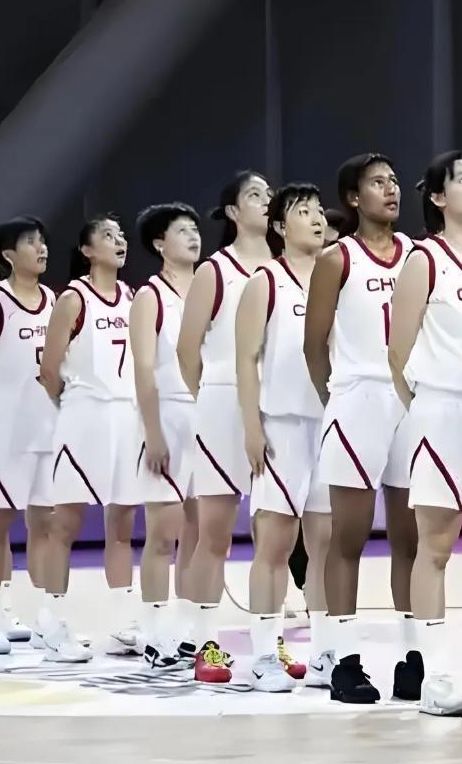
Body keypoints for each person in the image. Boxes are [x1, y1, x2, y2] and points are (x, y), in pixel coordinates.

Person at [387, 152, 462, 717]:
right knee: (434, 546)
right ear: (438, 197)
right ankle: (435, 673)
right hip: (443, 409)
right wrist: (424, 409)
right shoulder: (425, 260)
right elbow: (398, 352)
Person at [303, 153, 417, 704]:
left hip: (410, 400)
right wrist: (338, 400)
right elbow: (313, 344)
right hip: (358, 398)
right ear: (353, 197)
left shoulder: (418, 255)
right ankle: (344, 660)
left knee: (411, 539)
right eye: (377, 182)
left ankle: (415, 658)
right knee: (347, 537)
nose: (390, 189)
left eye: (394, 180)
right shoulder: (337, 258)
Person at [176, 170, 275, 683]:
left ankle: (267, 644)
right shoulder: (216, 271)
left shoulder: (287, 265)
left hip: (278, 403)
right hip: (222, 401)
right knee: (214, 534)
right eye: (255, 195)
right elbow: (186, 350)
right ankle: (202, 643)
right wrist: (213, 397)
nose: (266, 201)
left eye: (269, 194)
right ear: (233, 212)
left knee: (274, 535)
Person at [235, 183, 332, 692]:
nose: (316, 219)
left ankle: (325, 655)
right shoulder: (266, 282)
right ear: (278, 226)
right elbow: (246, 359)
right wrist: (252, 427)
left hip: (331, 425)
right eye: (303, 212)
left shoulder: (338, 277)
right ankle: (262, 656)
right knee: (275, 544)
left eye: (319, 211)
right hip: (284, 427)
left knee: (326, 546)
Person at [38, 214, 138, 662]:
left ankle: (122, 625)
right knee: (66, 523)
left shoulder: (132, 297)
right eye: (108, 236)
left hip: (126, 417)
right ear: (86, 250)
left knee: (122, 525)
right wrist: (75, 405)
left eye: (121, 235)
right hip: (84, 416)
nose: (119, 241)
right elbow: (49, 370)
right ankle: (52, 622)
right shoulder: (73, 298)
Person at [0, 216, 56, 655]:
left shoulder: (55, 299)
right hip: (5, 431)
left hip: (49, 428)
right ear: (8, 254)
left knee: (46, 524)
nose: (41, 248)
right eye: (30, 242)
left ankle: (47, 620)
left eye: (42, 241)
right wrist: (0, 412)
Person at [130, 203, 203, 668]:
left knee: (201, 531)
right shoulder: (150, 296)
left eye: (195, 229)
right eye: (182, 231)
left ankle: (191, 628)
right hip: (168, 415)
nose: (194, 236)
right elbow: (143, 367)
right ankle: (155, 632)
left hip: (208, 416)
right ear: (160, 244)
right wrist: (153, 433)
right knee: (163, 533)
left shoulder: (210, 289)